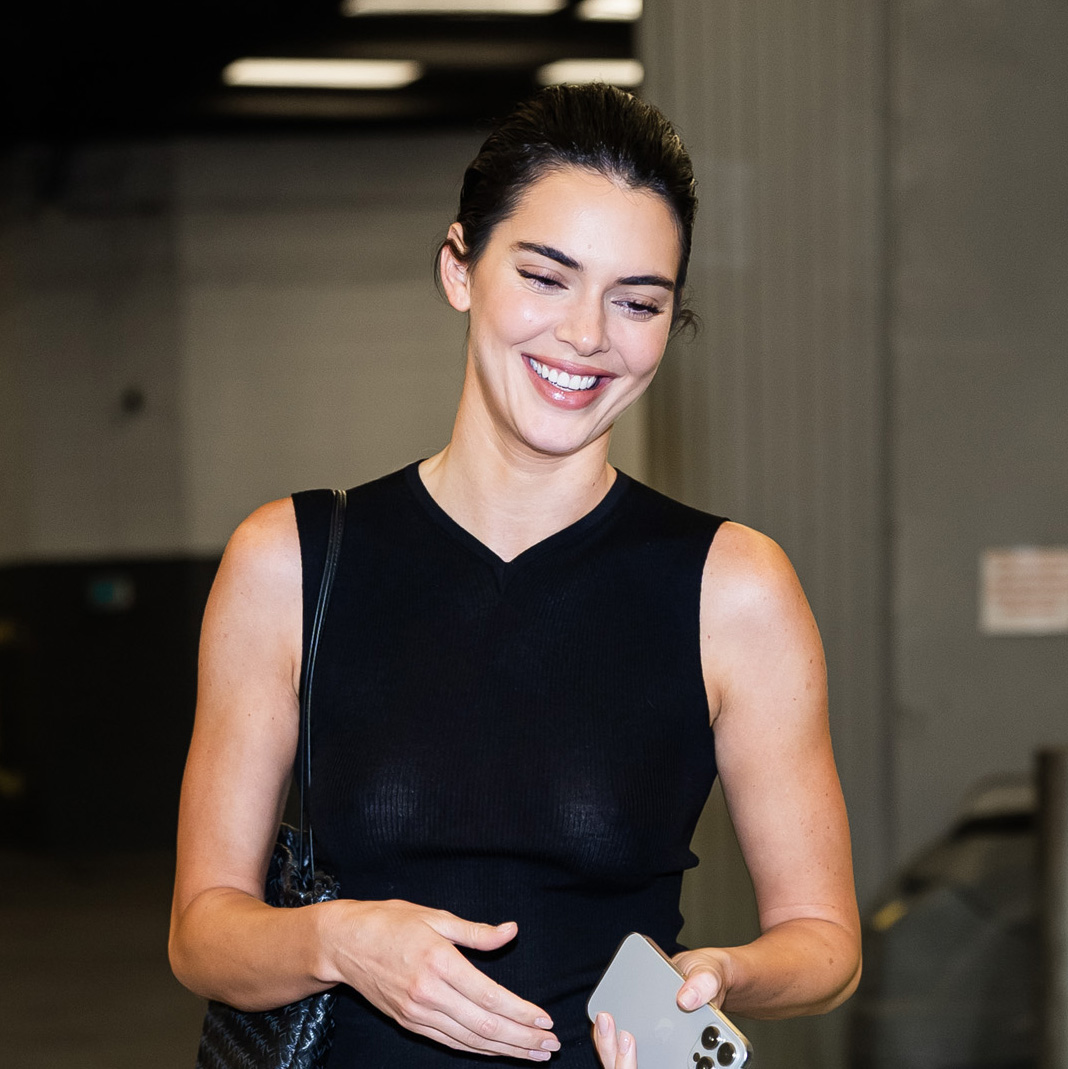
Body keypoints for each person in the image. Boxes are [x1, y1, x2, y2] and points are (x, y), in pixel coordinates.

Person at [169, 83, 861, 1069]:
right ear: (460, 267)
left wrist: (718, 976)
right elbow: (202, 931)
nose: (587, 335)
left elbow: (825, 942)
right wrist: (340, 942)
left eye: (637, 301)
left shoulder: (733, 586)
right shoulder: (288, 559)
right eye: (546, 276)